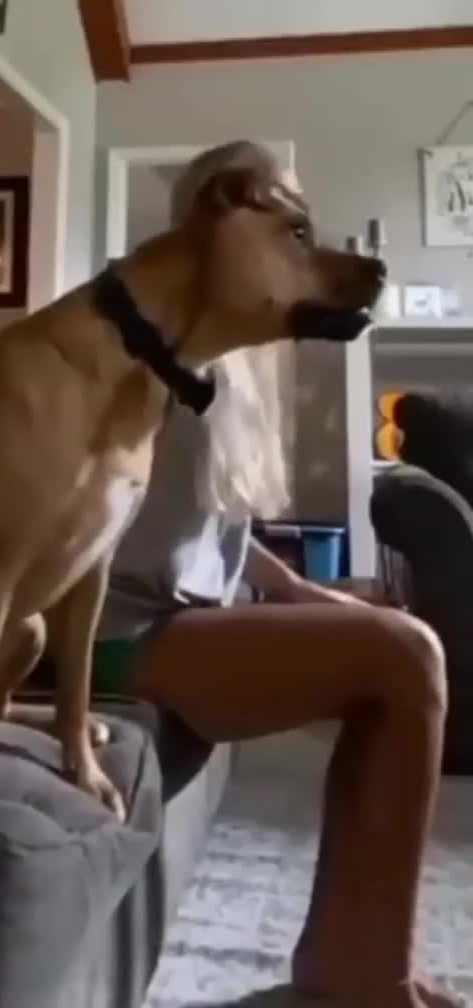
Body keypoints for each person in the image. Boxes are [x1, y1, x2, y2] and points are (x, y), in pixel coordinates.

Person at [93, 142, 456, 1008]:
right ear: (222, 212)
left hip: (181, 616)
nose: (305, 241)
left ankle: (355, 962)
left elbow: (214, 523)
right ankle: (363, 978)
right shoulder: (129, 340)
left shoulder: (234, 353)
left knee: (399, 643)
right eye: (287, 220)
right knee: (404, 656)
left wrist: (298, 592)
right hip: (109, 635)